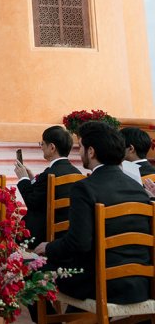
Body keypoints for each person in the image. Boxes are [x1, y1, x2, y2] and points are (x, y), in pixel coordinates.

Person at [36, 121, 152, 305]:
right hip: (140, 285)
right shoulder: (138, 188)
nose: (79, 152)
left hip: (101, 285)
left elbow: (79, 243)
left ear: (91, 151)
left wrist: (48, 247)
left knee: (33, 269)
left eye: (80, 147)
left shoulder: (84, 188)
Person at [13, 125, 81, 248]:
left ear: (52, 147)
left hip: (44, 232)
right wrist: (33, 179)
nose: (41, 147)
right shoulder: (77, 172)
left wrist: (23, 179)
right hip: (66, 230)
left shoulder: (49, 174)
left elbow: (33, 202)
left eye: (42, 144)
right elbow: (43, 193)